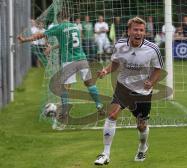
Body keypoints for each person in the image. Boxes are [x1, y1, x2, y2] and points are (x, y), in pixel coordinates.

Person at [94, 17, 164, 165]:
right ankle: (105, 154)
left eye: (141, 30)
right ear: (129, 31)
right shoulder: (120, 45)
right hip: (123, 87)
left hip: (142, 93)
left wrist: (151, 81)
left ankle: (143, 146)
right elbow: (115, 63)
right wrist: (106, 71)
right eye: (135, 30)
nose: (138, 33)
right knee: (112, 114)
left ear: (144, 32)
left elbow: (158, 69)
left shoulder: (153, 49)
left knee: (141, 125)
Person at [18, 11, 104, 130]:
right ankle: (99, 105)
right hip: (82, 59)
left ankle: (64, 114)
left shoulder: (59, 27)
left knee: (64, 87)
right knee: (89, 83)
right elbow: (66, 43)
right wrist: (52, 48)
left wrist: (24, 40)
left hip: (69, 60)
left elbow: (39, 35)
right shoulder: (75, 27)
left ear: (59, 18)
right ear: (68, 17)